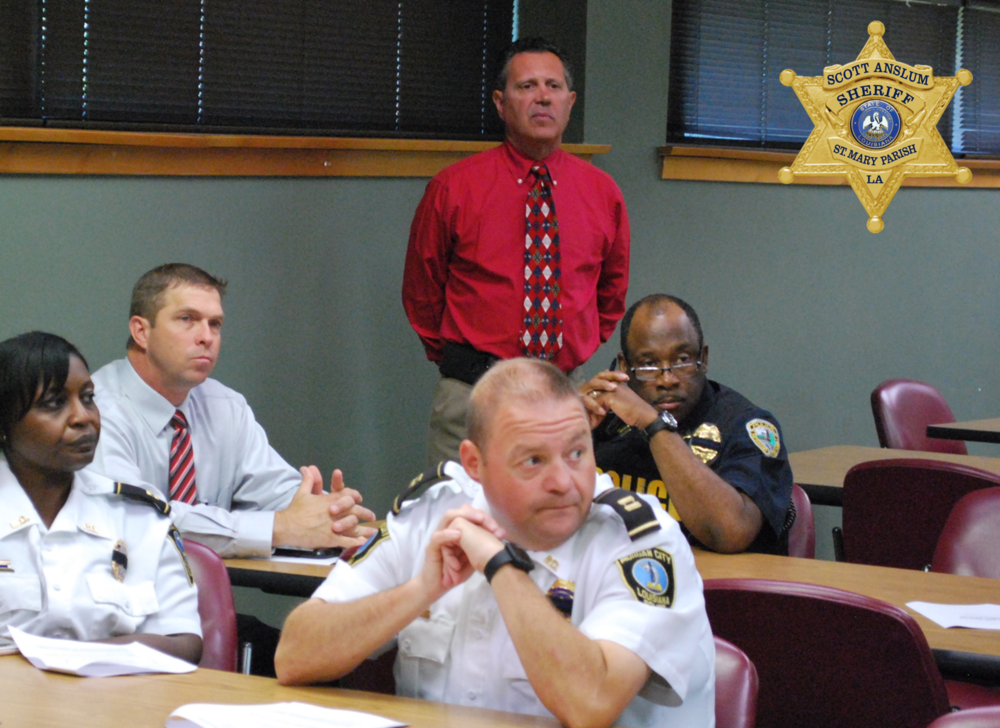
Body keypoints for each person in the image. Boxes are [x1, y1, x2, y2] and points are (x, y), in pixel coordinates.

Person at [275, 359, 714, 728]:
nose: (563, 481)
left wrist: (499, 565)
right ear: (474, 463)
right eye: (534, 460)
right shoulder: (431, 512)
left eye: (577, 453)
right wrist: (420, 591)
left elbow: (591, 702)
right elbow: (295, 656)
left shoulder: (640, 541)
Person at [403, 37, 630, 465]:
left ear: (570, 100)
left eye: (553, 86)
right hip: (473, 394)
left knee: (556, 519)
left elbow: (611, 293)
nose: (542, 96)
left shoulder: (603, 193)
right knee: (460, 521)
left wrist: (567, 355)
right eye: (526, 86)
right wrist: (466, 362)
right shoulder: (453, 187)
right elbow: (422, 290)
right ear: (500, 102)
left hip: (565, 393)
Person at [89, 263, 376, 559]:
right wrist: (279, 528)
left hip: (202, 599)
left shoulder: (225, 405)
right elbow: (140, 520)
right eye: (187, 319)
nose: (207, 337)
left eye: (215, 324)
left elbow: (274, 489)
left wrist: (331, 512)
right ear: (141, 331)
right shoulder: (93, 411)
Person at [0, 331, 202, 663]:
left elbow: (184, 644)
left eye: (88, 397)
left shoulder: (140, 516)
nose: (83, 417)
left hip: (112, 703)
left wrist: (63, 658)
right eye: (54, 403)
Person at [583, 294, 794, 555]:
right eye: (649, 364)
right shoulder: (602, 420)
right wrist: (562, 429)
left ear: (703, 359)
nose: (667, 379)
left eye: (682, 359)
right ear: (625, 366)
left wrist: (652, 425)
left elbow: (731, 532)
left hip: (716, 590)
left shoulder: (744, 425)